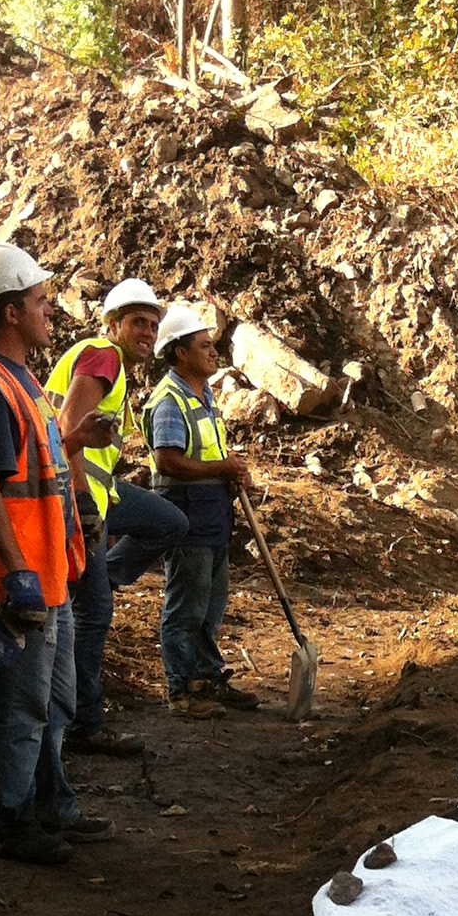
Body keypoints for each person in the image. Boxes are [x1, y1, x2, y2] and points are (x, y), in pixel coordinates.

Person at [0, 242, 112, 868]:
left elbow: (30, 468)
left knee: (53, 696)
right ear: (11, 312)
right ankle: (10, 820)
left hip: (50, 571)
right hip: (21, 578)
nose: (52, 311)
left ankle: (51, 803)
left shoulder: (23, 380)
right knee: (20, 702)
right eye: (41, 301)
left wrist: (75, 441)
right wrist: (16, 571)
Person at [45, 278, 190, 758]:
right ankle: (84, 724)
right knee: (94, 615)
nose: (148, 331)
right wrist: (83, 500)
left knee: (170, 522)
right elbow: (68, 430)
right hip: (79, 496)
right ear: (113, 326)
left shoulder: (112, 367)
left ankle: (103, 577)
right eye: (137, 323)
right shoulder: (104, 356)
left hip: (101, 494)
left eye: (153, 323)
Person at [142, 303, 260, 716]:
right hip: (186, 513)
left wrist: (231, 473)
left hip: (212, 512)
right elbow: (167, 460)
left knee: (211, 605)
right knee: (185, 607)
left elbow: (208, 452)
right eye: (204, 345)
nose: (214, 353)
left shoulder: (203, 395)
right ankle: (181, 691)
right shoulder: (170, 400)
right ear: (180, 353)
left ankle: (207, 677)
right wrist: (220, 468)